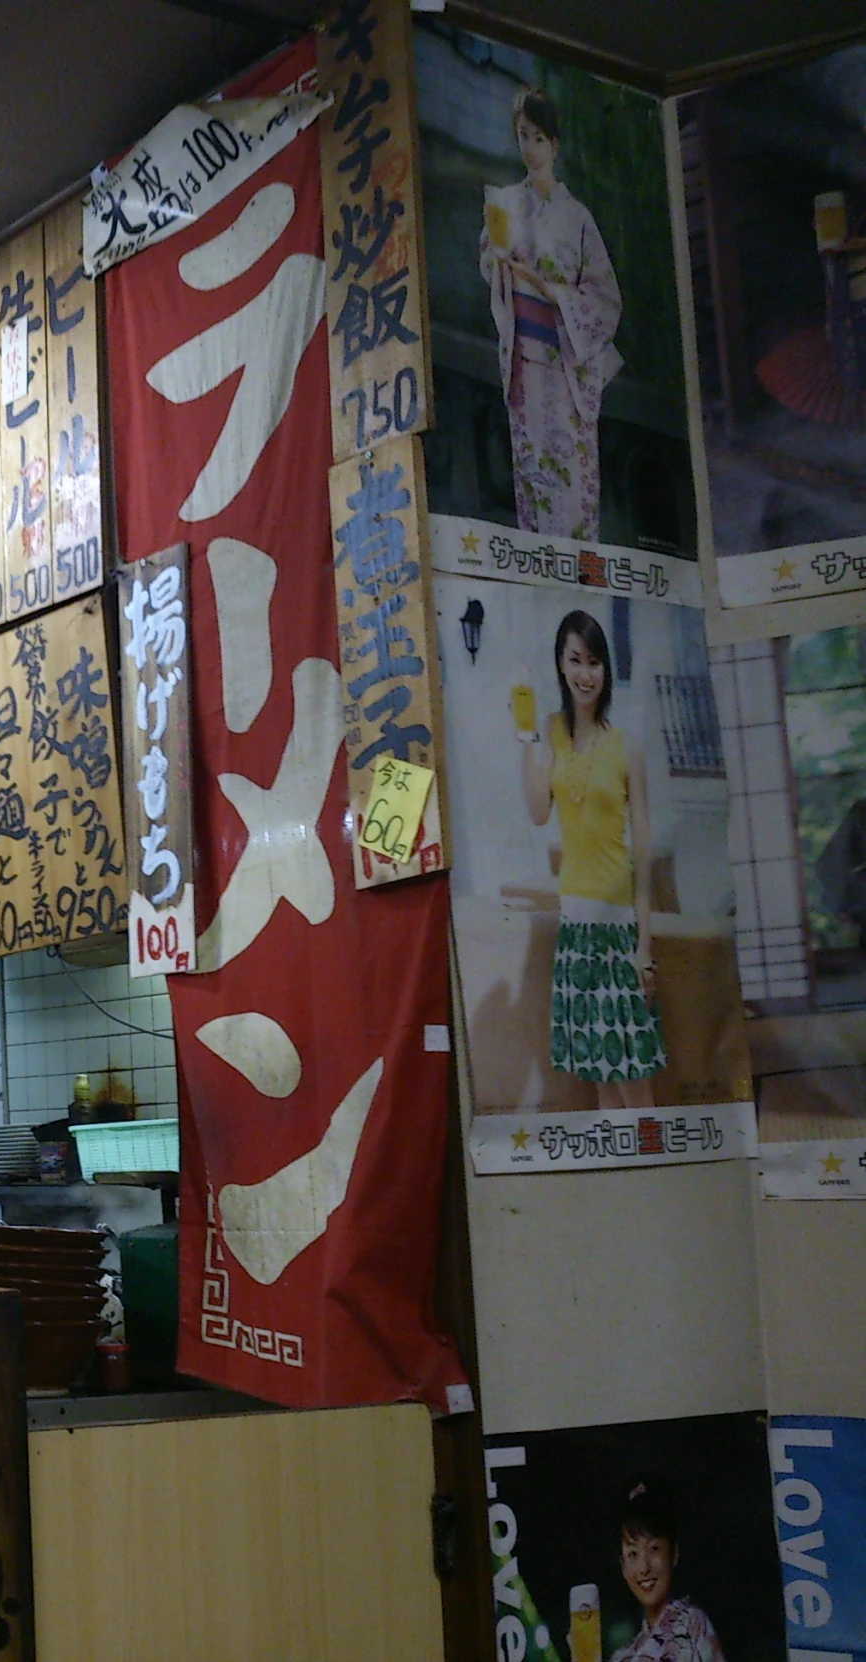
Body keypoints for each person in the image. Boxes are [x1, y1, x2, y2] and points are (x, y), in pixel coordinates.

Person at [519, 610, 666, 1108]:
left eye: (595, 662)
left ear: (605, 669)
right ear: (561, 665)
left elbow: (642, 852)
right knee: (600, 1076)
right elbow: (540, 812)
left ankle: (656, 1176)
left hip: (618, 929)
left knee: (634, 1079)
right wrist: (526, 744)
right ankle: (622, 1181)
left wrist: (644, 945)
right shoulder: (551, 730)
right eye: (575, 660)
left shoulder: (628, 748)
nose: (586, 673)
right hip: (576, 929)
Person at [479, 86, 624, 540]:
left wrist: (550, 290)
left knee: (572, 477)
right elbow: (487, 265)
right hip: (524, 357)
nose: (530, 148)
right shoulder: (505, 203)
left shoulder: (577, 216)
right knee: (533, 474)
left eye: (539, 138)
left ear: (555, 145)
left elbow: (604, 298)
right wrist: (498, 262)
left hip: (564, 362)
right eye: (523, 136)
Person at [609, 1474, 726, 1662]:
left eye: (654, 1549)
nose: (644, 1568)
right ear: (623, 1566)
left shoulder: (692, 1624)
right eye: (632, 1554)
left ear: (674, 1554)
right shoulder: (623, 1655)